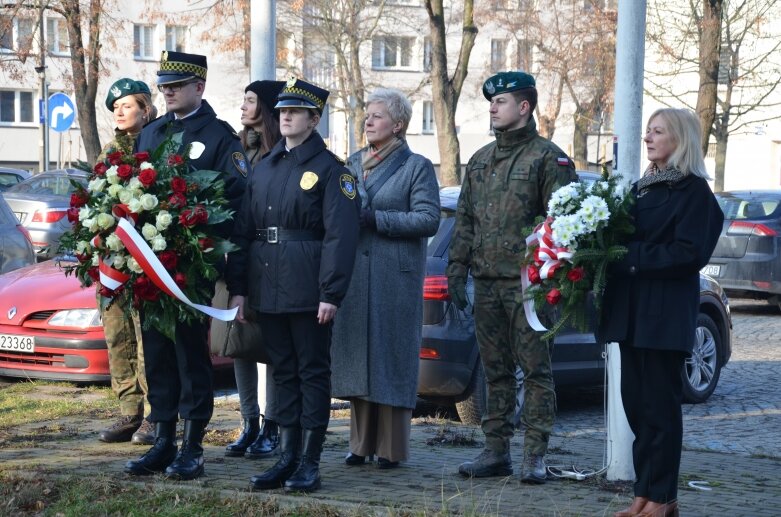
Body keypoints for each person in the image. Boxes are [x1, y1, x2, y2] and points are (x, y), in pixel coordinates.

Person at [226, 77, 360, 493]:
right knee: (282, 373)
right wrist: (240, 288)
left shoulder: (332, 170)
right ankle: (285, 457)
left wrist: (330, 293)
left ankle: (310, 461)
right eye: (282, 111)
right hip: (268, 285)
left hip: (308, 289)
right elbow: (246, 229)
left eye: (295, 112)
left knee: (312, 373)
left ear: (314, 119)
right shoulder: (266, 166)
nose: (285, 117)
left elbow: (341, 237)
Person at [446, 71, 577, 483]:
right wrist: (456, 270)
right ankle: (495, 451)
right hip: (485, 283)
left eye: (500, 102)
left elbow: (564, 227)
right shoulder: (481, 160)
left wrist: (553, 281)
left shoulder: (548, 159)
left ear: (523, 107)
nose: (492, 108)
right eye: (491, 102)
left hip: (528, 287)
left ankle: (534, 454)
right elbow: (464, 219)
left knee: (535, 371)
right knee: (495, 370)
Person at [124, 50, 248, 480]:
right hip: (149, 266)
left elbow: (234, 207)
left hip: (191, 269)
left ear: (200, 86)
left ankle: (192, 446)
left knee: (189, 355)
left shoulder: (220, 138)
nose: (168, 91)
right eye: (164, 85)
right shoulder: (151, 133)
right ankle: (162, 440)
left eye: (177, 84)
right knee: (156, 352)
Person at [598, 108, 722, 517]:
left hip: (663, 317)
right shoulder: (643, 188)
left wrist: (627, 257)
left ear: (680, 139)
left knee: (660, 412)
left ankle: (664, 498)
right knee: (636, 407)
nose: (648, 137)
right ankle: (644, 493)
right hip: (632, 315)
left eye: (657, 131)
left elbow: (689, 254)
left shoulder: (695, 193)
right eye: (647, 130)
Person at [331, 88, 440, 469]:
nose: (369, 121)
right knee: (359, 356)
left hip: (395, 276)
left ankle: (391, 448)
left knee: (391, 357)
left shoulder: (417, 167)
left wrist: (378, 219)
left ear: (398, 125)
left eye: (377, 116)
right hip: (357, 277)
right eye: (367, 115)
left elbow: (429, 219)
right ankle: (359, 444)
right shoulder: (351, 163)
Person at [224, 80, 284, 460]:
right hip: (239, 255)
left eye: (250, 100)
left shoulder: (281, 151)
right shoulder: (237, 149)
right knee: (238, 343)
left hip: (274, 260)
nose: (243, 106)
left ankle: (273, 425)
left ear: (266, 106)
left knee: (275, 345)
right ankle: (248, 423)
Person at [97, 78, 157, 447]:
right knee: (116, 329)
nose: (119, 112)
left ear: (145, 109)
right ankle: (129, 410)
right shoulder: (109, 152)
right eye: (116, 107)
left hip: (150, 256)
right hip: (114, 256)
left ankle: (155, 412)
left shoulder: (157, 143)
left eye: (127, 105)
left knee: (146, 335)